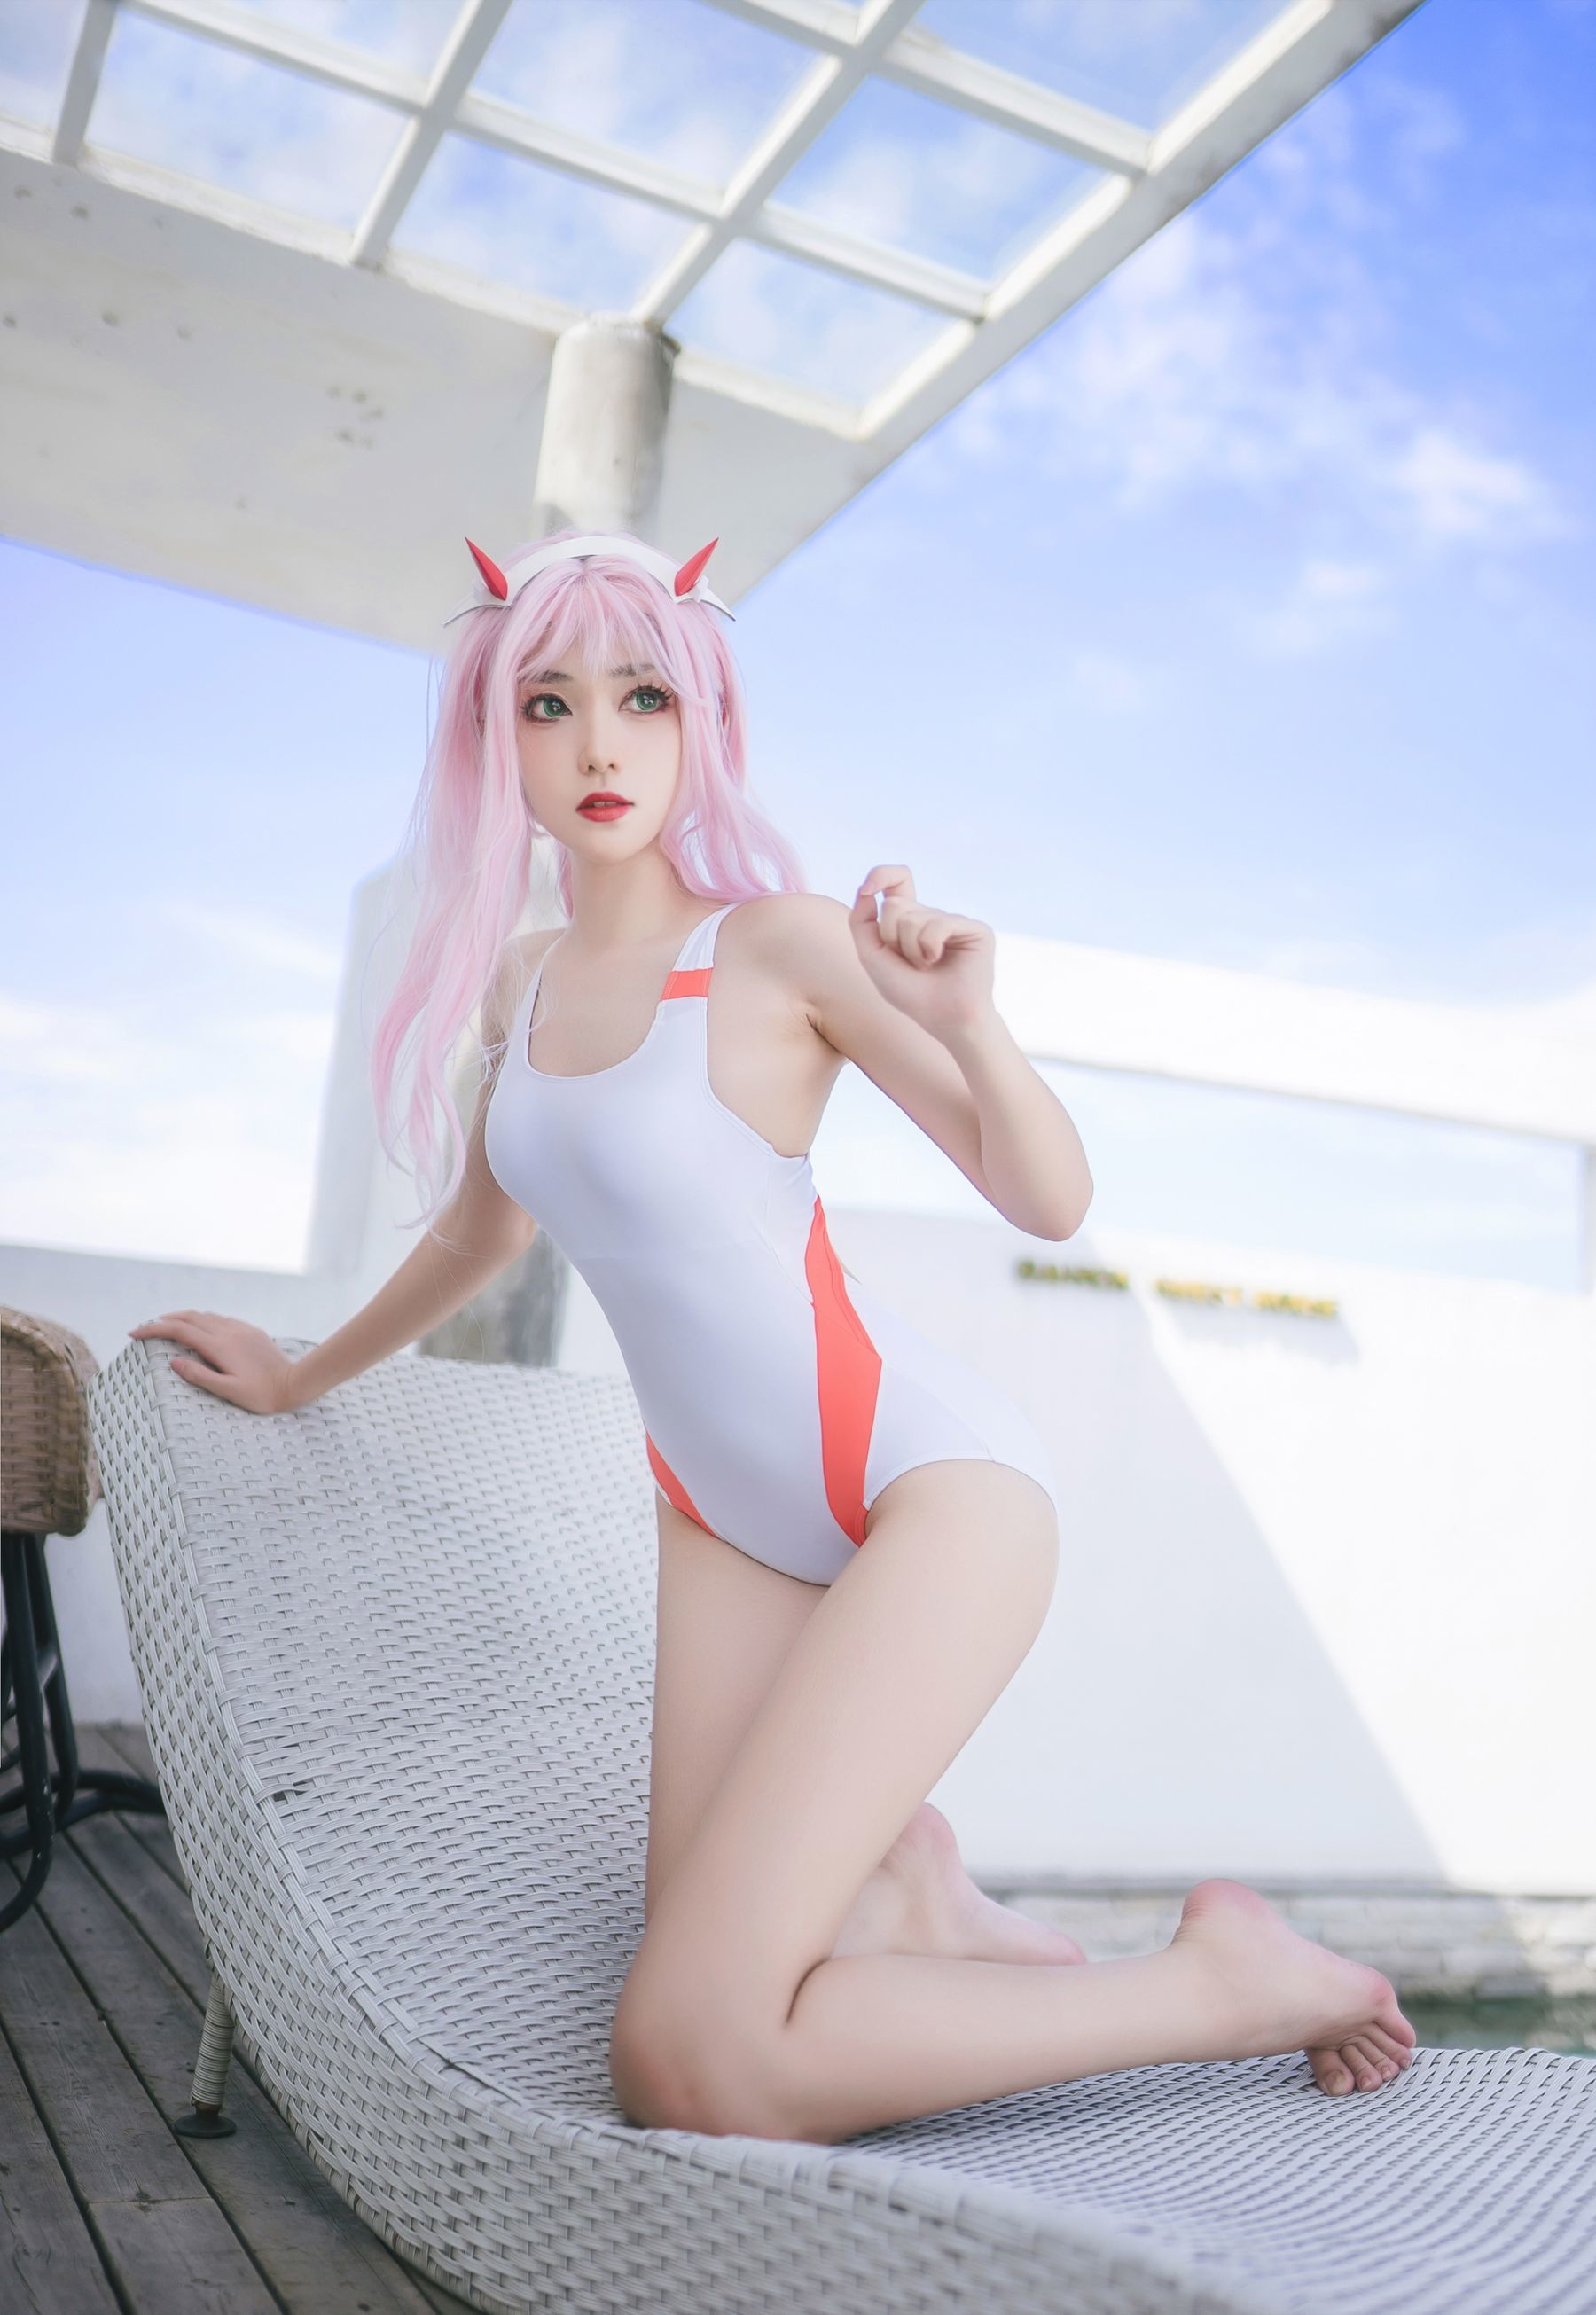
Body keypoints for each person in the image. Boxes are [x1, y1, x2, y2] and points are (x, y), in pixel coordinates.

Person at [130, 528, 1415, 2147]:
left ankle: (1226, 1983)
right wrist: (299, 1371)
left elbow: (1049, 1196)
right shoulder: (522, 987)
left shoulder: (776, 946)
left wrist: (971, 1025)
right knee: (708, 1992)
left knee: (688, 2064)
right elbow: (482, 1231)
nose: (600, 747)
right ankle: (917, 1900)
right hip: (722, 1519)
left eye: (644, 698)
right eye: (548, 705)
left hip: (928, 1489)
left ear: (704, 721)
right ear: (494, 741)